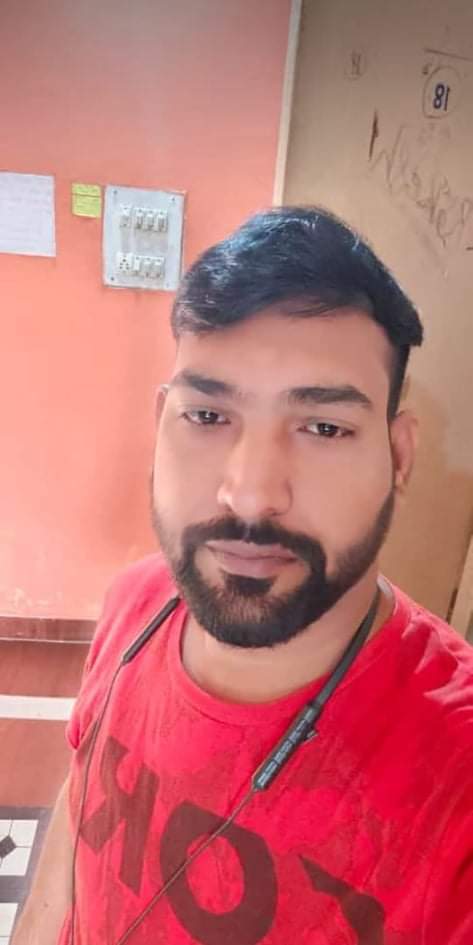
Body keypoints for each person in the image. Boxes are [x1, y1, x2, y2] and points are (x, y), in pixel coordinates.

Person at [14, 207, 473, 945]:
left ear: (398, 455)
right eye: (207, 416)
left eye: (323, 427)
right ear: (161, 422)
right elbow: (80, 814)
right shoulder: (137, 601)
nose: (251, 495)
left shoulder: (454, 780)